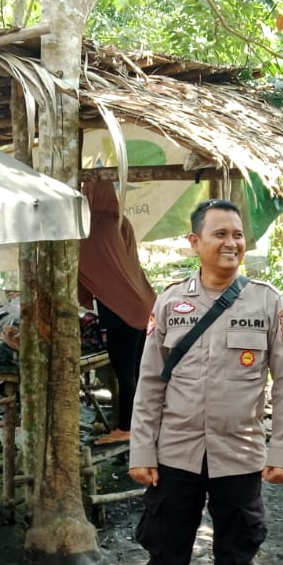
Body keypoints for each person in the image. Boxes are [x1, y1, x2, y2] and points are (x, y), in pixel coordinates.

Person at [128, 199, 283, 565]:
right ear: (195, 243)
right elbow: (149, 384)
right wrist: (142, 450)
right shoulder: (169, 304)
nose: (232, 244)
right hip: (175, 456)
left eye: (239, 235)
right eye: (220, 234)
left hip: (241, 456)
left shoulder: (268, 304)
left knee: (236, 556)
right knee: (165, 554)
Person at [79, 180, 156, 445]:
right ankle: (141, 426)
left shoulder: (93, 228)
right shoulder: (121, 221)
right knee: (136, 371)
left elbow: (81, 267)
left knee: (124, 372)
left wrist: (82, 296)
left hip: (120, 309)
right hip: (144, 304)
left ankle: (126, 428)